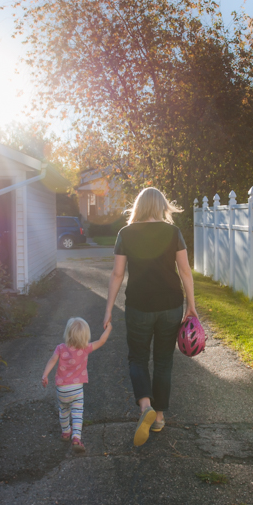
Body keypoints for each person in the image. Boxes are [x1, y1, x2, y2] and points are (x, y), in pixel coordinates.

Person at [104, 187, 197, 447]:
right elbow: (185, 272)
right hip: (170, 306)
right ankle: (159, 417)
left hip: (138, 306)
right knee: (164, 361)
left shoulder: (125, 233)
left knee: (138, 357)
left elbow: (117, 274)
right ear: (162, 206)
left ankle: (145, 405)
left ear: (139, 206)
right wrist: (191, 306)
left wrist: (109, 308)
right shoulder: (173, 233)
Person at [41, 317, 112, 454]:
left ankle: (66, 432)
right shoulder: (85, 348)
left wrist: (45, 375)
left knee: (63, 410)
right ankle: (76, 438)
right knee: (77, 413)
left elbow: (52, 361)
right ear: (85, 335)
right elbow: (101, 341)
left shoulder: (60, 348)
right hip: (77, 389)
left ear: (68, 333)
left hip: (62, 389)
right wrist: (108, 328)